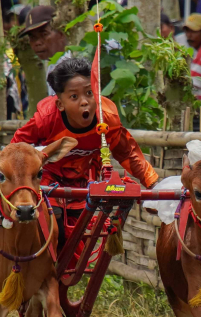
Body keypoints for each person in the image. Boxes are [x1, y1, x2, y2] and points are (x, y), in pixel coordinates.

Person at [11, 57, 158, 251]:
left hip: (84, 181)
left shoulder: (107, 118)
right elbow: (15, 148)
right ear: (60, 103)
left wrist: (153, 184)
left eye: (89, 93)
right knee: (51, 221)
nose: (84, 102)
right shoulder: (45, 119)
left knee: (79, 239)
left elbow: (128, 153)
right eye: (74, 97)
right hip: (47, 177)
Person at [19, 5, 71, 95]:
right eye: (33, 37)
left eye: (44, 34)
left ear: (61, 33)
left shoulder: (72, 65)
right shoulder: (53, 65)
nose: (37, 43)